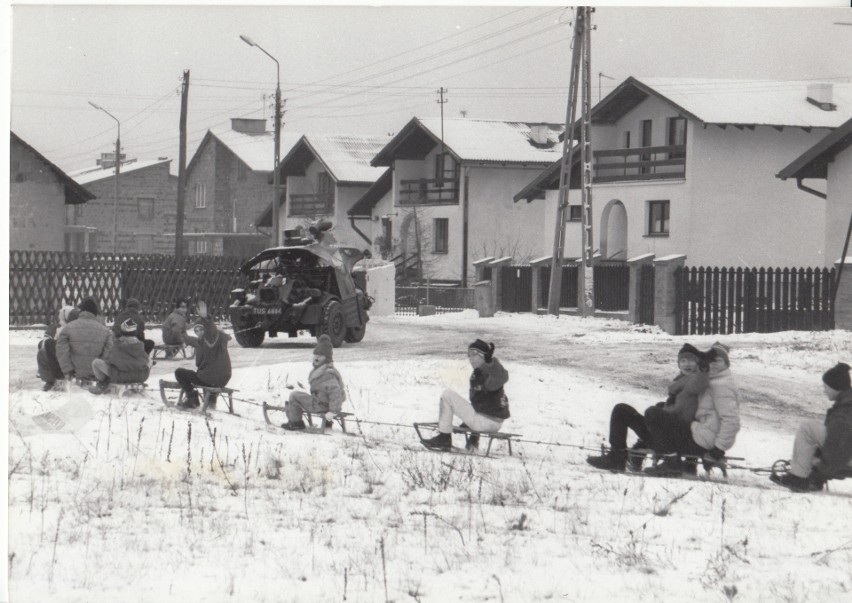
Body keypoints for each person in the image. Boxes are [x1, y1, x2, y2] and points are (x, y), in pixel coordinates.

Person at [586, 343, 709, 472]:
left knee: (645, 412)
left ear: (698, 363)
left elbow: (688, 404)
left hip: (674, 438)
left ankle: (621, 457)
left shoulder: (696, 381)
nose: (687, 364)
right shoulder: (681, 381)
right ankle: (617, 457)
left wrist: (704, 369)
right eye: (683, 360)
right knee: (622, 410)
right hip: (665, 434)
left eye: (691, 360)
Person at [643, 342, 741, 477]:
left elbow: (732, 421)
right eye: (710, 360)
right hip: (701, 434)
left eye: (717, 361)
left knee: (654, 415)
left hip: (704, 442)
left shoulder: (722, 385)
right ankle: (685, 465)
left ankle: (671, 463)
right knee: (662, 415)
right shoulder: (714, 380)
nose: (712, 364)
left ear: (726, 363)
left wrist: (718, 450)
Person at [770, 362, 852, 493]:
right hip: (847, 454)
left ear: (836, 387)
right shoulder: (846, 403)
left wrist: (819, 473)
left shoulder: (845, 410)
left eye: (826, 386)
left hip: (847, 457)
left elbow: (839, 450)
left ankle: (798, 478)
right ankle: (802, 475)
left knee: (808, 428)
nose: (824, 390)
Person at [420, 339, 510, 452]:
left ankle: (444, 438)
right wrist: (472, 431)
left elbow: (502, 377)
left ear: (483, 356)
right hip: (491, 421)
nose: (470, 358)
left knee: (447, 395)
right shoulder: (478, 374)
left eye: (474, 354)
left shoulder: (490, 373)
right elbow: (481, 403)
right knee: (459, 400)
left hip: (487, 422)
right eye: (469, 355)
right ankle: (471, 439)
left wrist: (490, 363)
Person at [281, 334, 346, 430]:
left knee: (294, 396)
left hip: (321, 406)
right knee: (300, 396)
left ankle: (296, 423)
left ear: (326, 358)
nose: (316, 358)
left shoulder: (327, 374)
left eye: (320, 356)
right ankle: (327, 423)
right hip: (323, 403)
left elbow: (336, 393)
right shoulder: (324, 370)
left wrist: (333, 411)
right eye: (315, 355)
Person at [174, 301, 232, 410]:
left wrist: (205, 319)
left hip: (211, 377)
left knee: (179, 372)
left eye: (201, 329)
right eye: (196, 330)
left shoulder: (210, 339)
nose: (199, 332)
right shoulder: (219, 341)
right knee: (205, 373)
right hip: (223, 378)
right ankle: (211, 401)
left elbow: (198, 363)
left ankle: (192, 399)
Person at [55, 297, 114, 383]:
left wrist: (68, 371)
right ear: (95, 313)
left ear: (81, 311)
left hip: (75, 373)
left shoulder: (67, 328)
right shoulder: (106, 331)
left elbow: (61, 351)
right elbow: (108, 353)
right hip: (96, 373)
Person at [89, 318, 152, 394]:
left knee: (96, 362)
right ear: (135, 332)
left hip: (121, 376)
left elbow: (109, 360)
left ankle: (102, 383)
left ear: (122, 331)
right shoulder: (141, 345)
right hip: (140, 376)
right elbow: (145, 360)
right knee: (149, 359)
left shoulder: (117, 344)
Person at [37, 305, 80, 390]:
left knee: (44, 350)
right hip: (69, 359)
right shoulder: (57, 328)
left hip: (64, 360)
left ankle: (51, 379)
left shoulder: (66, 329)